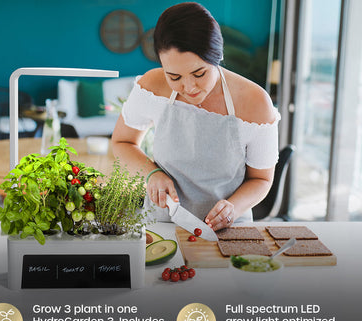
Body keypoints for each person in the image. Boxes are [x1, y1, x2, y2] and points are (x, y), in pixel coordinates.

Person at [112, 2, 280, 231]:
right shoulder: (153, 85)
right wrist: (151, 173)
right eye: (174, 76)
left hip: (226, 229)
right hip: (161, 224)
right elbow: (123, 142)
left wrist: (233, 208)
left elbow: (261, 180)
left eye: (199, 73)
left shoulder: (256, 103)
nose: (189, 87)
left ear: (218, 56)